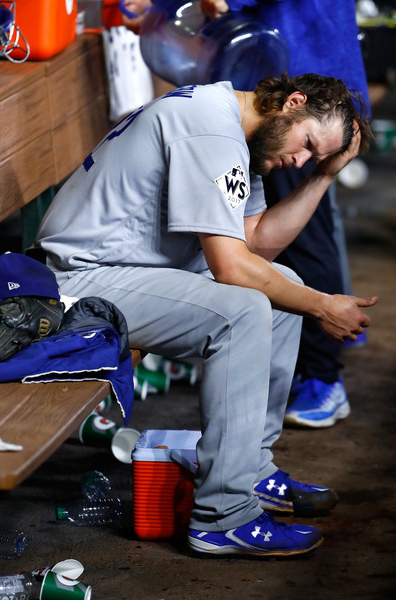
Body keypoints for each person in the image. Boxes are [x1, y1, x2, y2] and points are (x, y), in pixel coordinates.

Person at [32, 72, 377, 558]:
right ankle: (223, 516)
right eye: (307, 146)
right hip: (76, 286)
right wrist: (325, 306)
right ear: (293, 103)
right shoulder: (210, 128)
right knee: (244, 309)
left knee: (286, 291)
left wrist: (323, 176)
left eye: (310, 159)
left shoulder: (240, 133)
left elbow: (254, 242)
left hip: (124, 273)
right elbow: (233, 268)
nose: (298, 160)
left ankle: (249, 470)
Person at [198, 0, 372, 430]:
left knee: (306, 239)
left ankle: (322, 378)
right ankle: (310, 371)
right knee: (285, 234)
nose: (304, 161)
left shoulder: (297, 122)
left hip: (306, 77)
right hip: (280, 72)